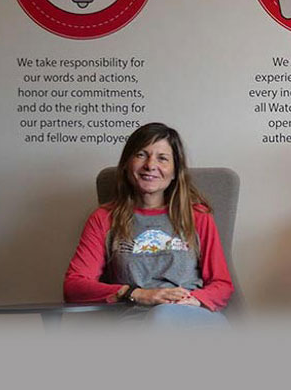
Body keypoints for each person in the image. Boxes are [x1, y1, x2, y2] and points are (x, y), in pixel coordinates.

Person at [63, 122, 233, 328]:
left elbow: (222, 284)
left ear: (175, 171)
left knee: (163, 317)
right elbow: (74, 287)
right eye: (142, 155)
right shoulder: (104, 218)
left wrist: (194, 300)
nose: (150, 165)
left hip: (192, 318)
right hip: (134, 322)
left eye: (162, 158)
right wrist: (136, 293)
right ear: (127, 164)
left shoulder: (197, 216)